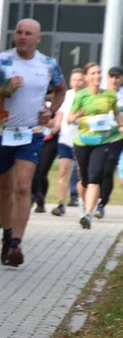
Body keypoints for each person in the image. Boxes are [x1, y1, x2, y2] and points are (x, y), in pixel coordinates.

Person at [0, 19, 64, 266]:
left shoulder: (48, 64)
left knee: (23, 186)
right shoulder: (2, 61)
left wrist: (51, 110)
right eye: (19, 33)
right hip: (1, 133)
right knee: (3, 187)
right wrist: (3, 88)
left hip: (31, 133)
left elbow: (61, 89)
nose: (22, 37)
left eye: (28, 33)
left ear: (38, 38)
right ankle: (6, 233)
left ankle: (16, 243)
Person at [68, 62, 123, 228]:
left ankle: (88, 214)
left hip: (102, 142)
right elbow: (69, 119)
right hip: (83, 141)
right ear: (86, 77)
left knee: (95, 177)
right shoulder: (81, 95)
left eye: (99, 73)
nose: (97, 76)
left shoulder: (109, 95)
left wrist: (121, 126)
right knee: (84, 179)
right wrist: (79, 114)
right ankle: (82, 204)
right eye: (93, 73)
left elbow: (117, 115)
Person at [50, 68, 85, 217]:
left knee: (81, 174)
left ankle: (85, 206)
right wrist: (56, 126)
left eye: (80, 79)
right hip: (65, 138)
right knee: (63, 171)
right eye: (74, 79)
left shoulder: (87, 96)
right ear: (70, 81)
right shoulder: (67, 96)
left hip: (82, 140)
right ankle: (60, 203)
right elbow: (60, 113)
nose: (77, 82)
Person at [95, 65, 123, 217]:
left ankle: (102, 203)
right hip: (99, 137)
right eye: (111, 76)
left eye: (117, 77)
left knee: (107, 170)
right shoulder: (101, 93)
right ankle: (92, 199)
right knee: (96, 170)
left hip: (117, 137)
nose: (114, 79)